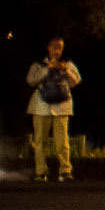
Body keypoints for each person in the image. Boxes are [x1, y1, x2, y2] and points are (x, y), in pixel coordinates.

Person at [26, 37, 82, 181]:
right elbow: (31, 80)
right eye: (54, 47)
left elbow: (76, 82)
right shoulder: (39, 64)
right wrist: (47, 69)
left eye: (60, 47)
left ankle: (65, 171)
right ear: (48, 48)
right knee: (40, 141)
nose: (57, 50)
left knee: (62, 141)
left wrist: (64, 70)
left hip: (62, 107)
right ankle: (40, 172)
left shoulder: (68, 64)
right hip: (41, 107)